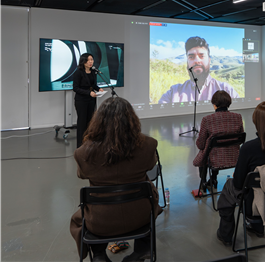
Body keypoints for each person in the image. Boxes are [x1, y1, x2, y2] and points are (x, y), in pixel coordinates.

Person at [69, 97, 162, 262]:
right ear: (132, 120)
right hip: (139, 215)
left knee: (80, 217)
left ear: (98, 121)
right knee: (151, 193)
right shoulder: (148, 145)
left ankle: (98, 254)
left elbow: (82, 175)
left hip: (100, 221)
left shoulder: (83, 153)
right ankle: (142, 250)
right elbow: (151, 166)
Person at [216, 101, 265, 246]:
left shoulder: (248, 148)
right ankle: (257, 228)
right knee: (260, 184)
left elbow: (239, 183)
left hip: (254, 206)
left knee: (229, 187)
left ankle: (225, 233)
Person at [158, 36, 239, 103]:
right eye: (191, 57)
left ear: (209, 60)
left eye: (201, 56)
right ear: (187, 62)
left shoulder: (227, 90)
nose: (196, 60)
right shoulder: (173, 93)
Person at [193, 90, 244, 192]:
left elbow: (201, 144)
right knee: (212, 150)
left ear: (214, 104)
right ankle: (213, 179)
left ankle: (204, 181)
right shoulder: (237, 117)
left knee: (205, 152)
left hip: (215, 160)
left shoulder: (207, 119)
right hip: (235, 158)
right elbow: (240, 138)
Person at [72, 53, 104, 148]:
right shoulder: (78, 72)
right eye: (89, 60)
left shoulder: (93, 72)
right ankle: (80, 145)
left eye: (92, 60)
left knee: (91, 121)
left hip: (91, 100)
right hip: (81, 100)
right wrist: (88, 93)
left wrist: (98, 89)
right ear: (83, 61)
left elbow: (93, 85)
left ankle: (90, 142)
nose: (91, 62)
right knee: (82, 122)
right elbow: (76, 88)